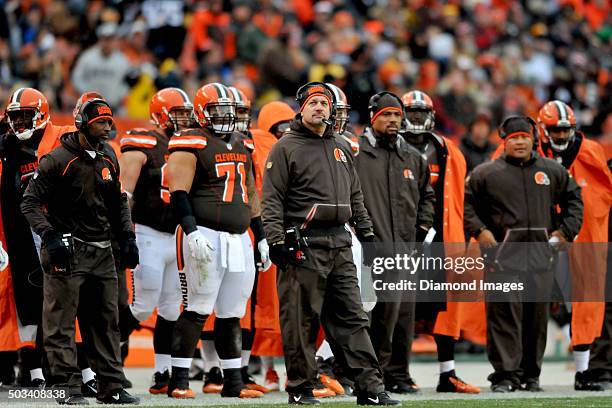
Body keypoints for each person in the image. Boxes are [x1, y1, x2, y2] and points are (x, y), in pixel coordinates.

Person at [262, 81, 399, 405]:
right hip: (304, 243)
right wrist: (277, 241)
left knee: (353, 318)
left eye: (325, 104)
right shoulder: (285, 146)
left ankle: (371, 389)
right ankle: (300, 387)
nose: (319, 108)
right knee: (301, 320)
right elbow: (271, 199)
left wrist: (367, 236)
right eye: (313, 103)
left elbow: (356, 197)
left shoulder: (340, 146)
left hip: (339, 241)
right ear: (302, 108)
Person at [21, 98, 140, 404]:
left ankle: (111, 387)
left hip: (102, 250)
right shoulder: (57, 159)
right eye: (101, 122)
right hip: (67, 251)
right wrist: (49, 237)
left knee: (105, 321)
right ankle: (67, 388)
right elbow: (29, 202)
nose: (108, 127)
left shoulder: (108, 155)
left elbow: (118, 201)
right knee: (60, 323)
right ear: (84, 124)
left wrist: (127, 236)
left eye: (109, 121)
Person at [464, 116, 583, 393]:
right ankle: (505, 376)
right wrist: (479, 230)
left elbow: (575, 201)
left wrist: (565, 232)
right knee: (503, 318)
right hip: (501, 259)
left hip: (542, 258)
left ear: (533, 139)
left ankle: (531, 376)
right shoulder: (486, 174)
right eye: (513, 138)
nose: (519, 142)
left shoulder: (553, 171)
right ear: (504, 141)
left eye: (524, 137)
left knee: (536, 320)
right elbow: (466, 205)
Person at [165, 83, 267, 399]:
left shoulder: (242, 142)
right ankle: (178, 380)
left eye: (229, 110)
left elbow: (250, 194)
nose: (225, 116)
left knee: (232, 311)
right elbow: (178, 192)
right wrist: (191, 231)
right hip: (204, 233)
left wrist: (261, 236)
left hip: (239, 237)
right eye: (217, 110)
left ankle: (233, 382)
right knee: (198, 307)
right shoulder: (189, 140)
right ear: (201, 112)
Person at [401, 90, 482, 394]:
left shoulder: (448, 151)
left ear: (432, 116)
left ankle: (447, 373)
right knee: (400, 310)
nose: (417, 119)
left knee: (444, 311)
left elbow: (460, 199)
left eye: (422, 113)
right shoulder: (391, 148)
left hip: (440, 240)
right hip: (402, 239)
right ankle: (397, 371)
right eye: (412, 112)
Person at [356, 91, 435, 394]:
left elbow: (427, 195)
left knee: (401, 317)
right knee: (364, 315)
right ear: (374, 116)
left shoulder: (413, 157)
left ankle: (397, 374)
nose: (393, 120)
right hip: (367, 248)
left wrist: (422, 229)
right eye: (386, 115)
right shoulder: (356, 152)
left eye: (397, 115)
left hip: (404, 250)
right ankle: (363, 375)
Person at [117, 88, 194, 394]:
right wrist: (125, 232)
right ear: (160, 114)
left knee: (172, 308)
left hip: (176, 236)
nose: (184, 119)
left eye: (187, 113)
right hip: (148, 231)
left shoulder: (189, 143)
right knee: (143, 304)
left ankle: (161, 372)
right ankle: (107, 356)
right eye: (179, 112)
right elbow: (124, 192)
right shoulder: (144, 141)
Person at [0, 87, 74, 389]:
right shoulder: (6, 150)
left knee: (63, 302)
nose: (19, 125)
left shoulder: (63, 138)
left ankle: (75, 371)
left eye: (26, 117)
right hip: (21, 232)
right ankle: (33, 372)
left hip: (59, 228)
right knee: (27, 302)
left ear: (42, 115)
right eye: (14, 118)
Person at [537, 100, 612, 391]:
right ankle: (519, 373)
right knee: (527, 303)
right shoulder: (530, 147)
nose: (560, 135)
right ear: (543, 129)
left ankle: (589, 369)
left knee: (587, 302)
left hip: (580, 238)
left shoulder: (589, 151)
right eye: (554, 130)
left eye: (564, 130)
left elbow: (604, 192)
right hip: (540, 238)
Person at [249, 100, 295, 392]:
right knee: (267, 307)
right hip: (266, 230)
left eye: (288, 125)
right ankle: (268, 369)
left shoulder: (299, 145)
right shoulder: (256, 144)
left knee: (293, 306)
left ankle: (295, 367)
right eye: (279, 126)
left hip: (294, 229)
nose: (285, 130)